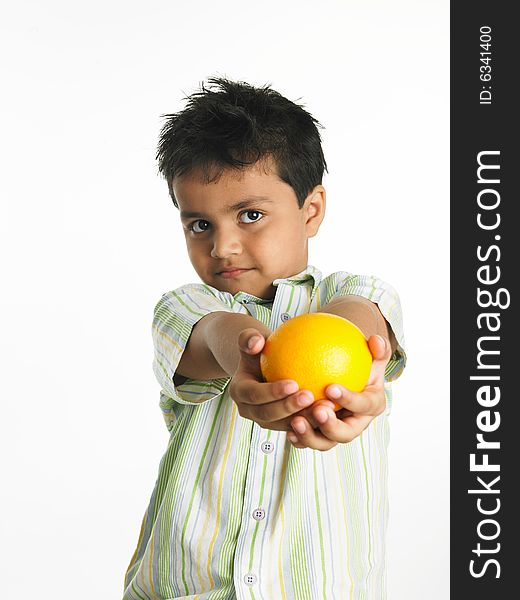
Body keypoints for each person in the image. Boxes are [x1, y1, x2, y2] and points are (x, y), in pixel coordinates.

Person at [123, 76, 406, 600]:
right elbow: (216, 335)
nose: (223, 246)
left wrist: (346, 362)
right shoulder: (185, 305)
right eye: (199, 224)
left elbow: (358, 318)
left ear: (311, 210)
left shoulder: (356, 292)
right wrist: (252, 356)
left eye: (250, 215)